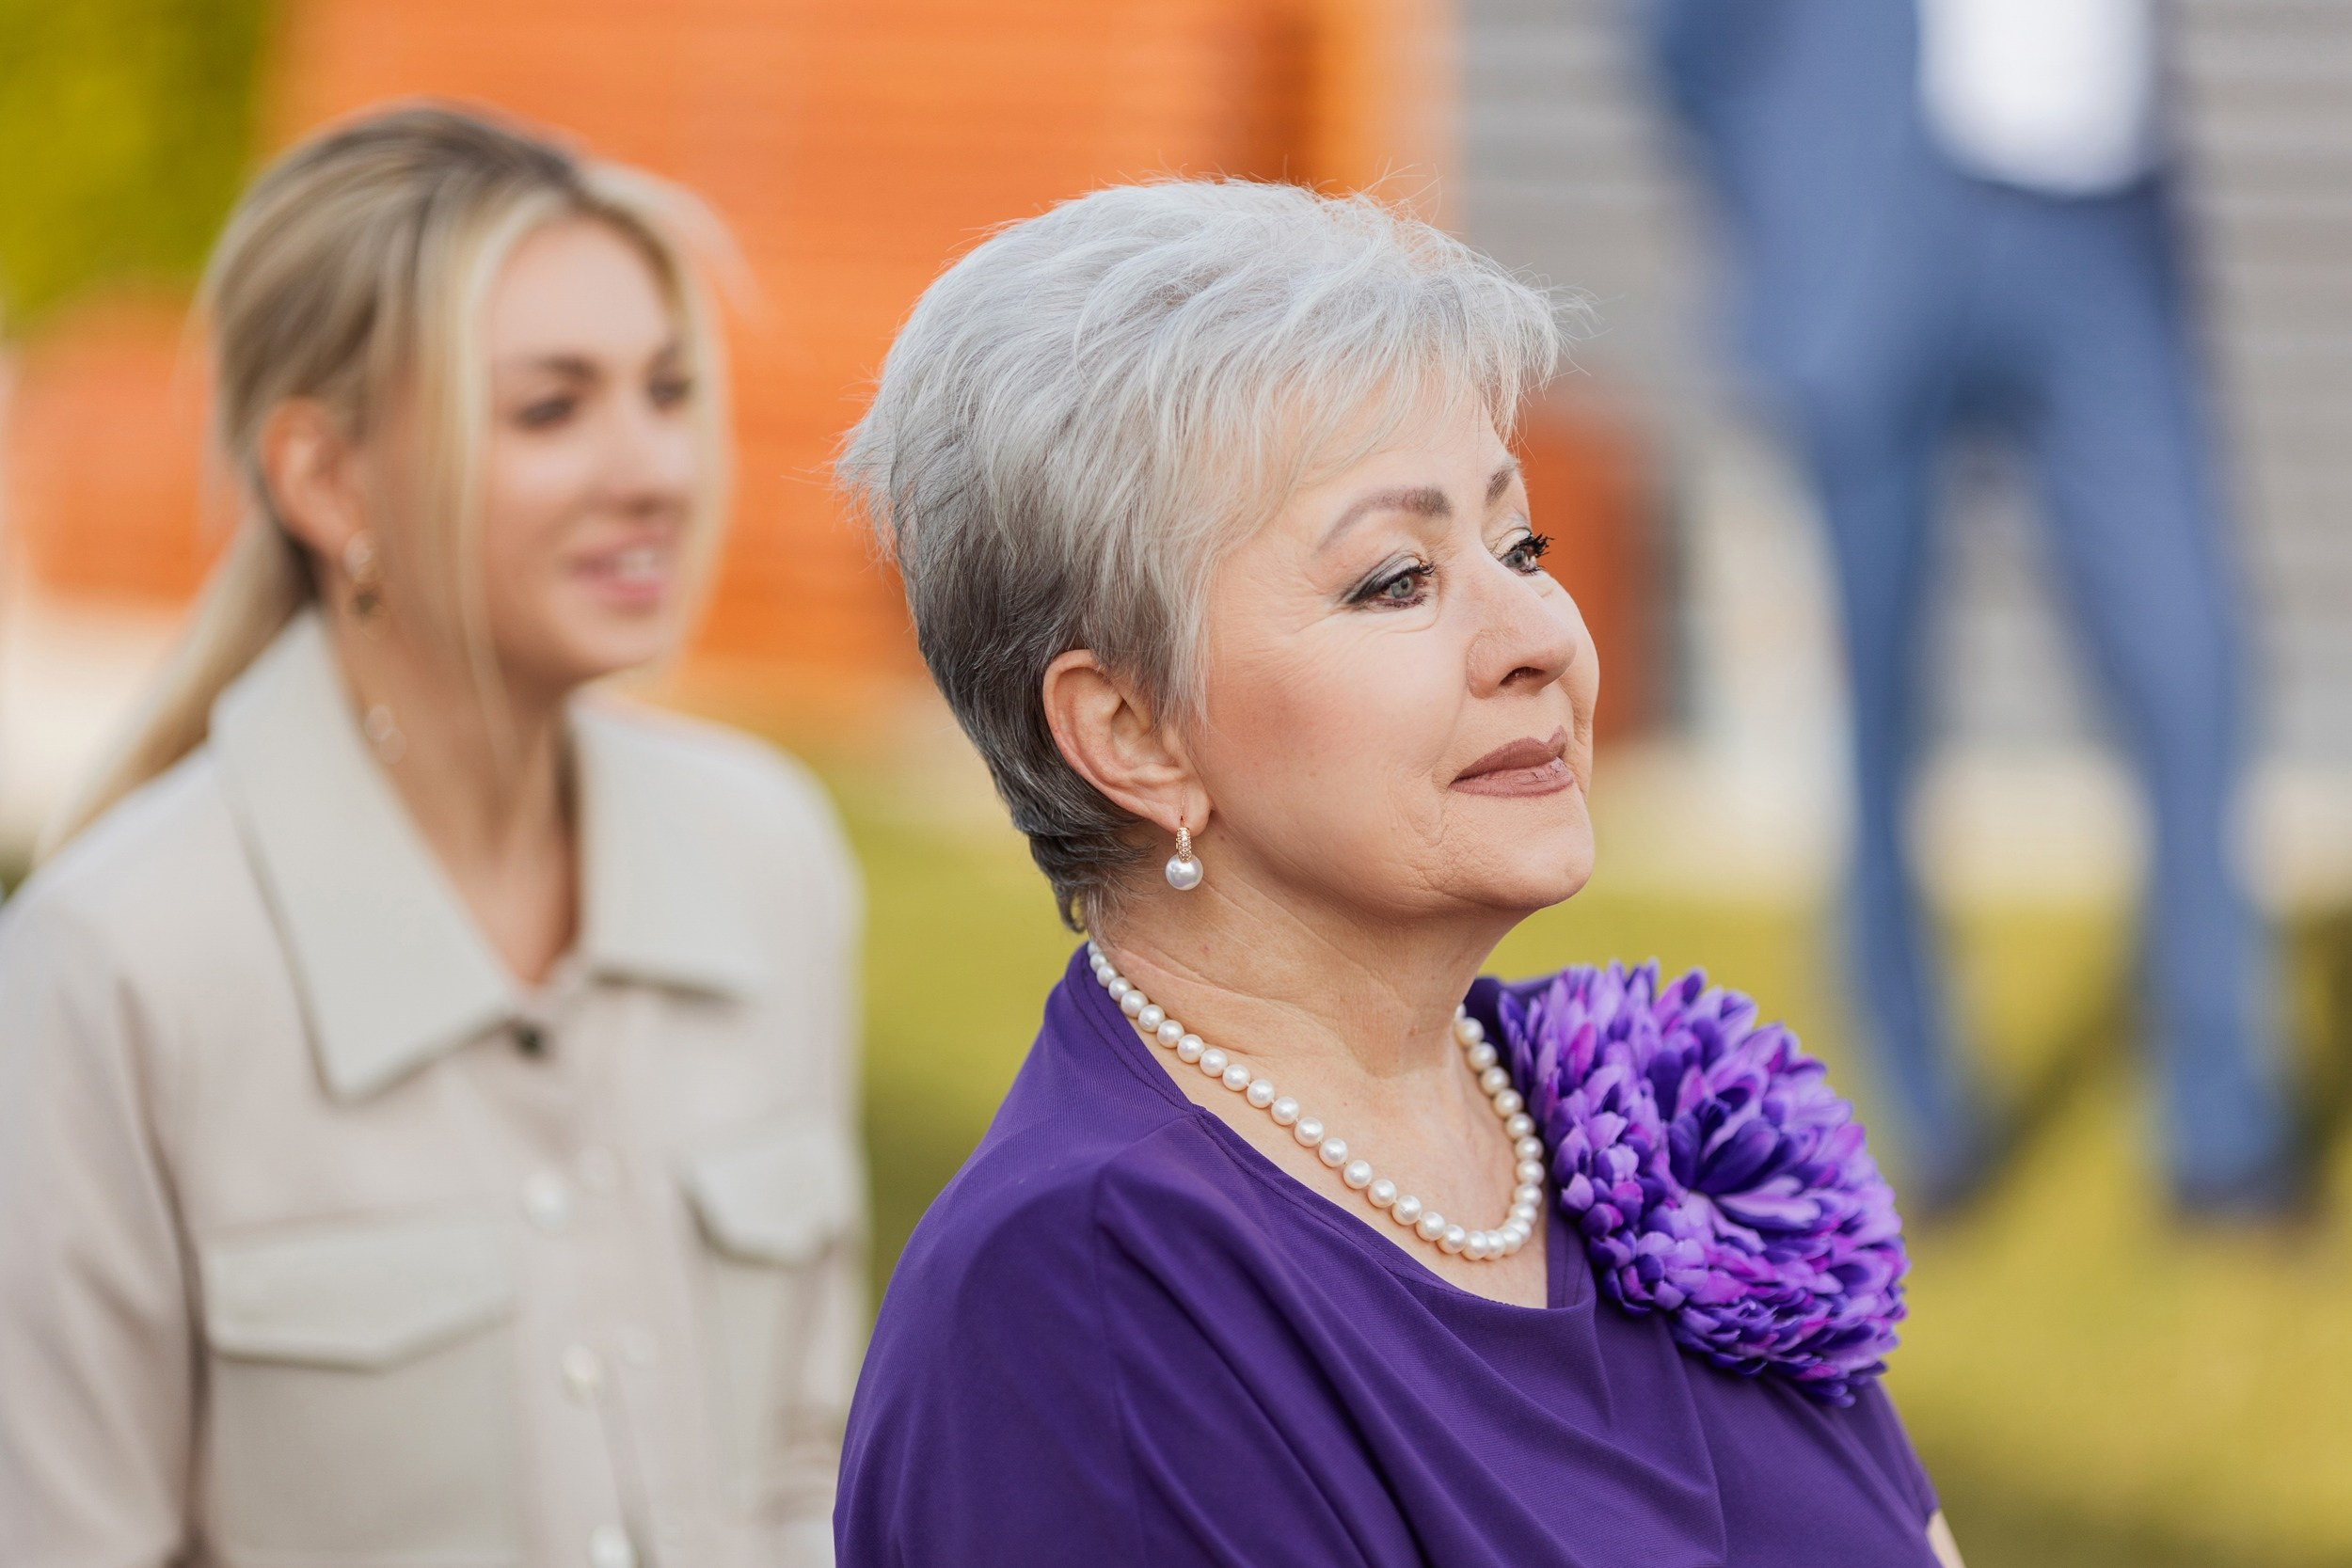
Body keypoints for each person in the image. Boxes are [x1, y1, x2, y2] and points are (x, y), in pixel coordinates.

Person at [831, 181, 1963, 1566]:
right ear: (1131, 734)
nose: (1536, 631)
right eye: (1396, 580)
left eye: (1518, 542)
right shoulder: (1087, 1308)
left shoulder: (1663, 1125)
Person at [0, 106, 864, 1568]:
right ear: (327, 481)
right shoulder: (114, 966)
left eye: (665, 389)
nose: (656, 466)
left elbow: (812, 1463)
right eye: (550, 408)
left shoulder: (773, 857)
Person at [1638, 0, 2294, 1212]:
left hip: (2107, 217)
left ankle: (2226, 1132)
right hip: (1881, 224)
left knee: (2195, 662)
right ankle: (1917, 1120)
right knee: (1877, 707)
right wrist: (1783, 213)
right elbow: (1681, 32)